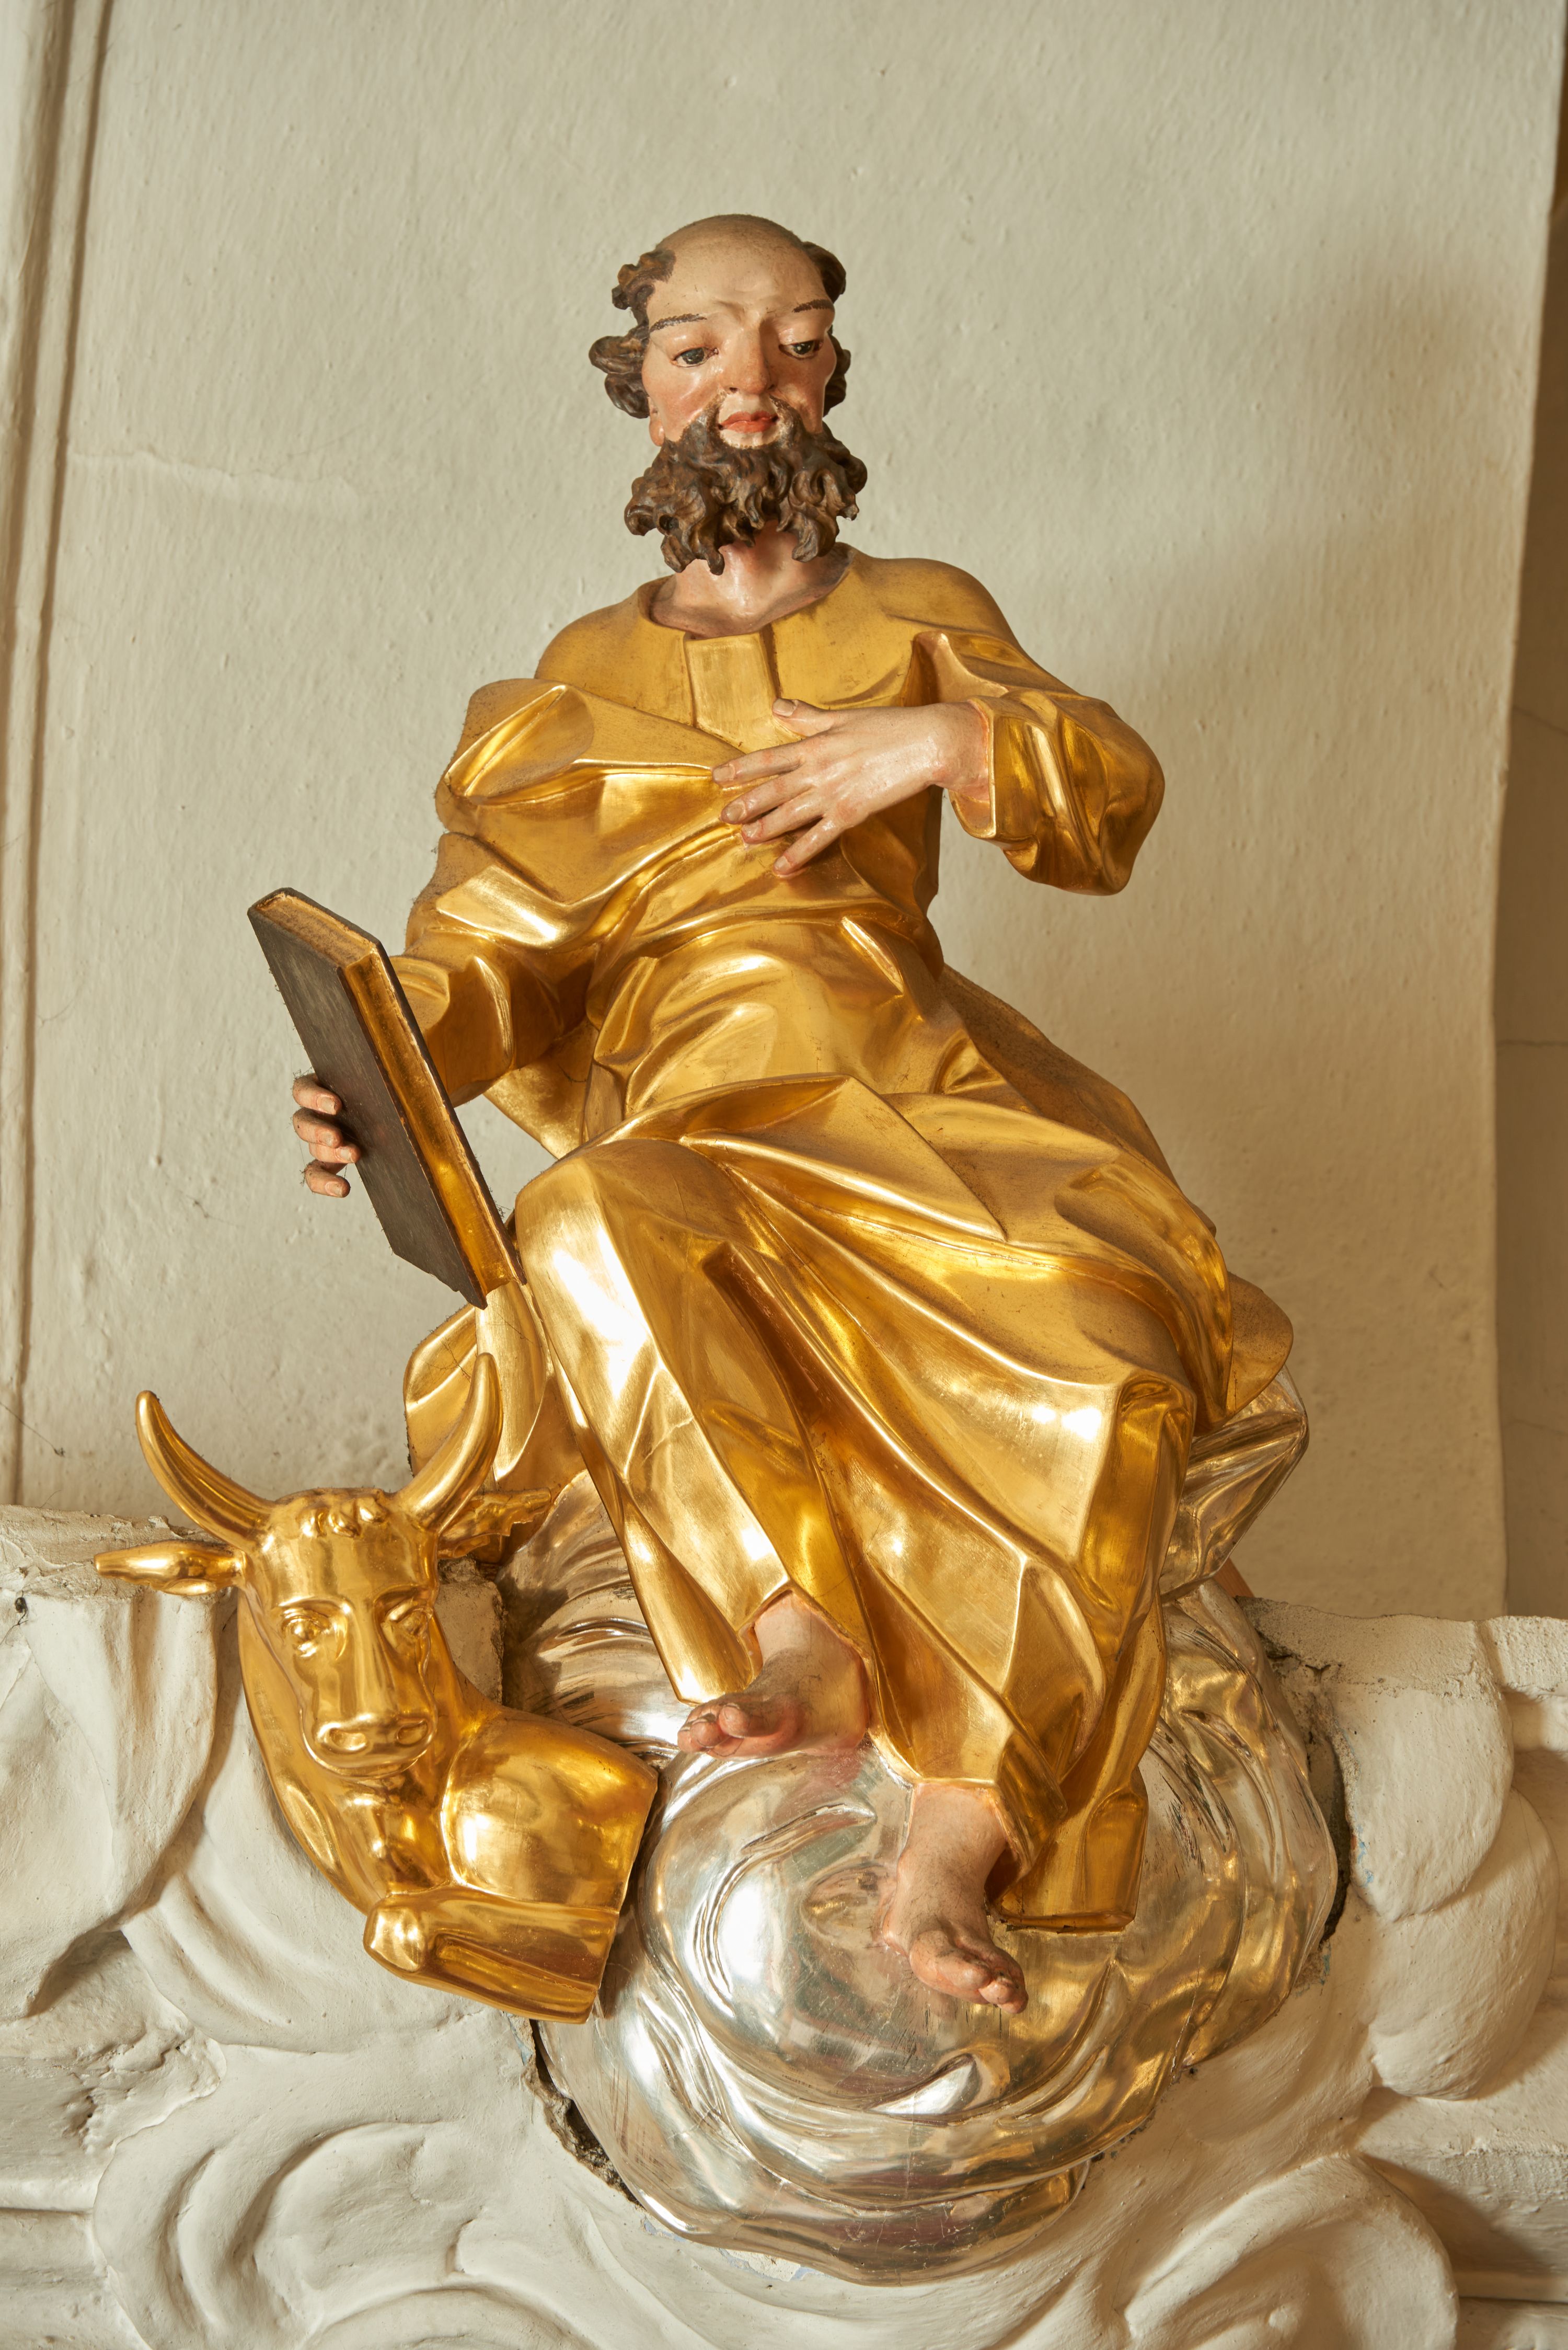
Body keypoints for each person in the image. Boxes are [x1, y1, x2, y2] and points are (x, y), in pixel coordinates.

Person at [291, 214, 1290, 2017]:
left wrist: (935, 746)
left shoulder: (915, 614)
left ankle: (964, 1832)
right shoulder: (582, 676)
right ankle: (794, 1631)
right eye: (700, 348)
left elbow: (1102, 797)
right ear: (644, 387)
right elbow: (488, 947)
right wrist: (384, 1061)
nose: (748, 384)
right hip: (693, 1114)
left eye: (793, 340)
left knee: (1102, 1348)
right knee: (583, 1222)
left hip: (916, 1096)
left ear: (830, 374)